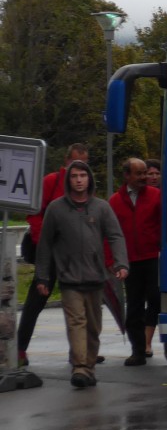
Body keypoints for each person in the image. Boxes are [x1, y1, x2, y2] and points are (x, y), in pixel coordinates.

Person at [34, 160, 129, 389]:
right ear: (69, 181)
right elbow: (45, 244)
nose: (78, 180)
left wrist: (121, 263)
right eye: (74, 176)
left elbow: (116, 236)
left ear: (89, 179)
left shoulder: (101, 207)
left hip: (96, 278)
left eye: (82, 176)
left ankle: (89, 368)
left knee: (93, 327)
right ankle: (79, 367)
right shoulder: (56, 209)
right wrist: (42, 277)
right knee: (76, 322)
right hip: (69, 278)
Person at [17, 142, 89, 368]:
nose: (80, 169)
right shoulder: (51, 181)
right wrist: (43, 245)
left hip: (72, 256)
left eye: (84, 164)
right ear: (66, 161)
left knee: (78, 305)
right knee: (35, 302)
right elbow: (34, 214)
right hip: (48, 254)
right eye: (76, 162)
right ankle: (19, 349)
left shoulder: (85, 186)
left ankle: (80, 352)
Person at [109, 158, 161, 366]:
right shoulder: (114, 201)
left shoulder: (156, 196)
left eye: (144, 173)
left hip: (153, 257)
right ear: (127, 176)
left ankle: (165, 341)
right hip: (129, 261)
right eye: (138, 174)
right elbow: (110, 233)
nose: (143, 178)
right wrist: (112, 260)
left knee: (156, 299)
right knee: (134, 307)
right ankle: (138, 350)